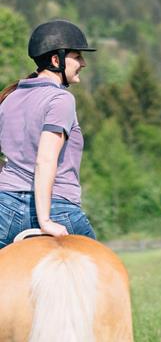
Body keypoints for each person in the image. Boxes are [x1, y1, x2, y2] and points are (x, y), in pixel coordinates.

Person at [0, 19, 96, 248]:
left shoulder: (8, 99)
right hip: (56, 208)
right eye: (78, 56)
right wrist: (45, 221)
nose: (83, 63)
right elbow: (46, 159)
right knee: (103, 280)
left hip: (4, 209)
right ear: (56, 60)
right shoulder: (60, 98)